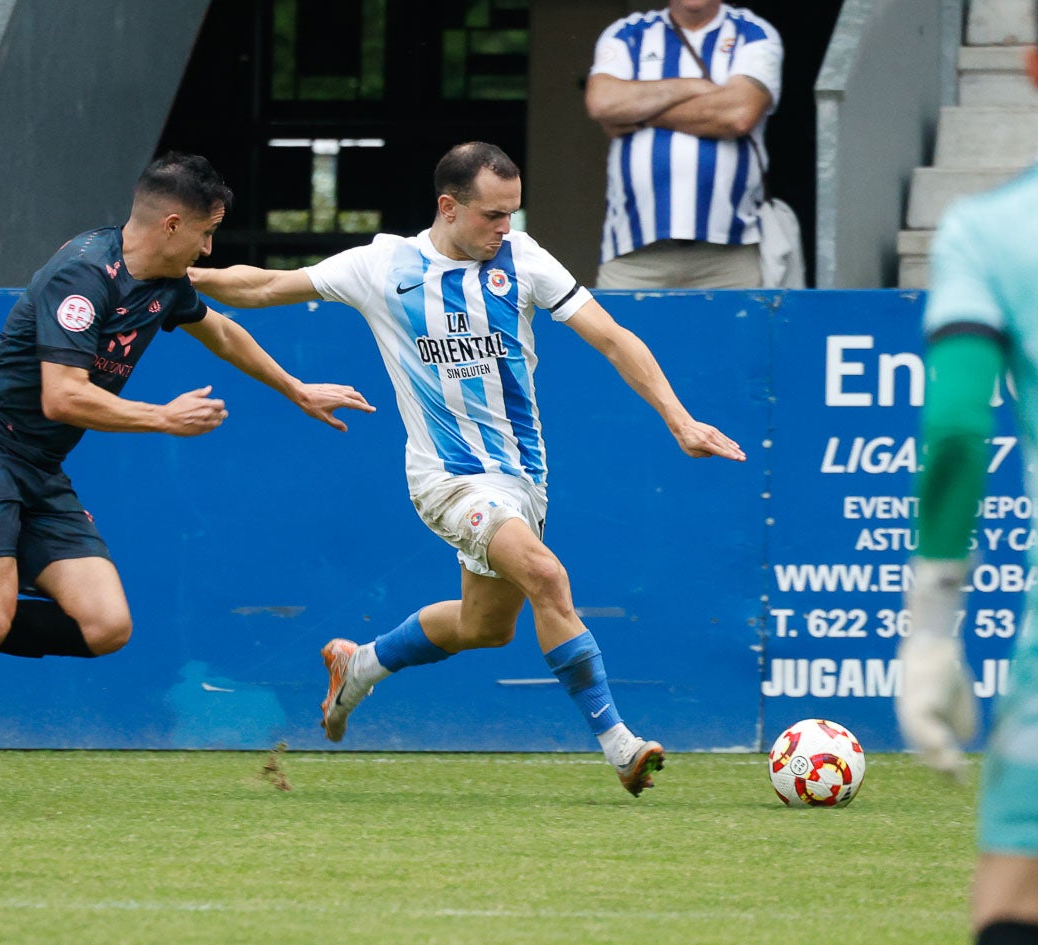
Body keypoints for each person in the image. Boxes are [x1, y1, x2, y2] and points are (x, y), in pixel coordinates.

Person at [189, 142, 746, 796]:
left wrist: (677, 418)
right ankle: (619, 745)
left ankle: (358, 663)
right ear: (447, 208)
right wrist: (179, 276)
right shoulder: (383, 265)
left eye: (512, 212)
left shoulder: (524, 259)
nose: (504, 227)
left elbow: (612, 337)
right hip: (445, 479)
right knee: (546, 573)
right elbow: (261, 285)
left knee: (485, 626)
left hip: (521, 480)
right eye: (491, 215)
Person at [0, 152, 373, 814]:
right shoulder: (82, 275)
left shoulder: (164, 281)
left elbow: (224, 333)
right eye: (206, 233)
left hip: (37, 466)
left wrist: (296, 390)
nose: (208, 249)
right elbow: (63, 397)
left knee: (105, 625)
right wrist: (163, 417)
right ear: (173, 224)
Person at [897, 16, 1038, 941]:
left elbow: (953, 428)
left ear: (1028, 65)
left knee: (1012, 901)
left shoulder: (991, 232)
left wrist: (932, 624)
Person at [584, 0, 782, 289]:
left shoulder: (753, 33)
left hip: (730, 253)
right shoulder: (628, 32)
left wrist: (640, 115)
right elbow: (602, 102)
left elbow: (738, 116)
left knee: (733, 335)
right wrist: (694, 86)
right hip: (633, 253)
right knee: (622, 334)